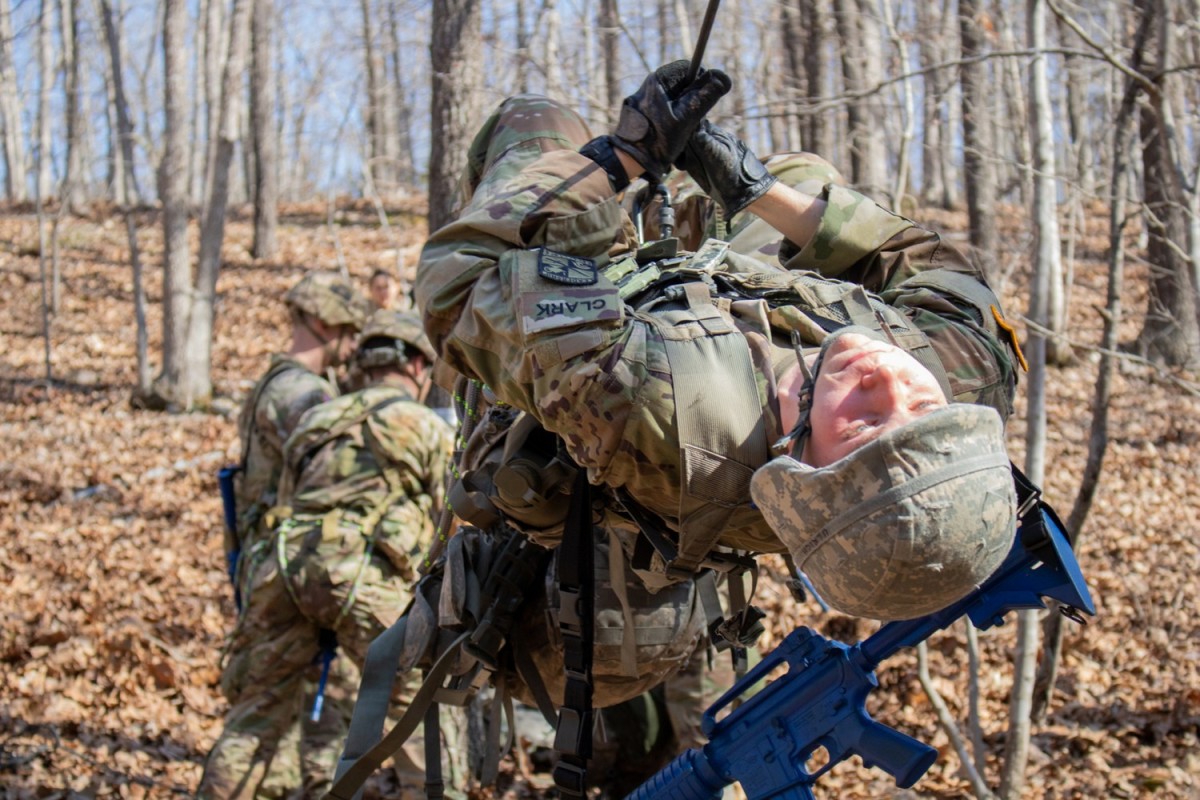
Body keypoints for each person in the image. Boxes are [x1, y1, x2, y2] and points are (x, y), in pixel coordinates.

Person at [415, 61, 1024, 625]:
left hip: (618, 319)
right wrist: (753, 190)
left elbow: (454, 282)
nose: (888, 378)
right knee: (802, 176)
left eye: (865, 427)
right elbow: (927, 266)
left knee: (536, 120)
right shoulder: (964, 376)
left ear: (797, 469)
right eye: (923, 412)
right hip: (728, 303)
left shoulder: (656, 400)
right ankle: (716, 208)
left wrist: (617, 160)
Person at [200, 310, 456, 798]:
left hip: (285, 569)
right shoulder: (426, 427)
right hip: (363, 579)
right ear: (420, 368)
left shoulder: (320, 416)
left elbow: (283, 499)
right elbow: (451, 527)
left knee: (256, 717)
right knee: (419, 710)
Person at [217, 271, 369, 798]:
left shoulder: (281, 383)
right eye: (349, 335)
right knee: (259, 719)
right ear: (325, 323)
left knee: (301, 718)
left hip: (279, 564)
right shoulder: (300, 393)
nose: (350, 350)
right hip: (287, 570)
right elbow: (341, 473)